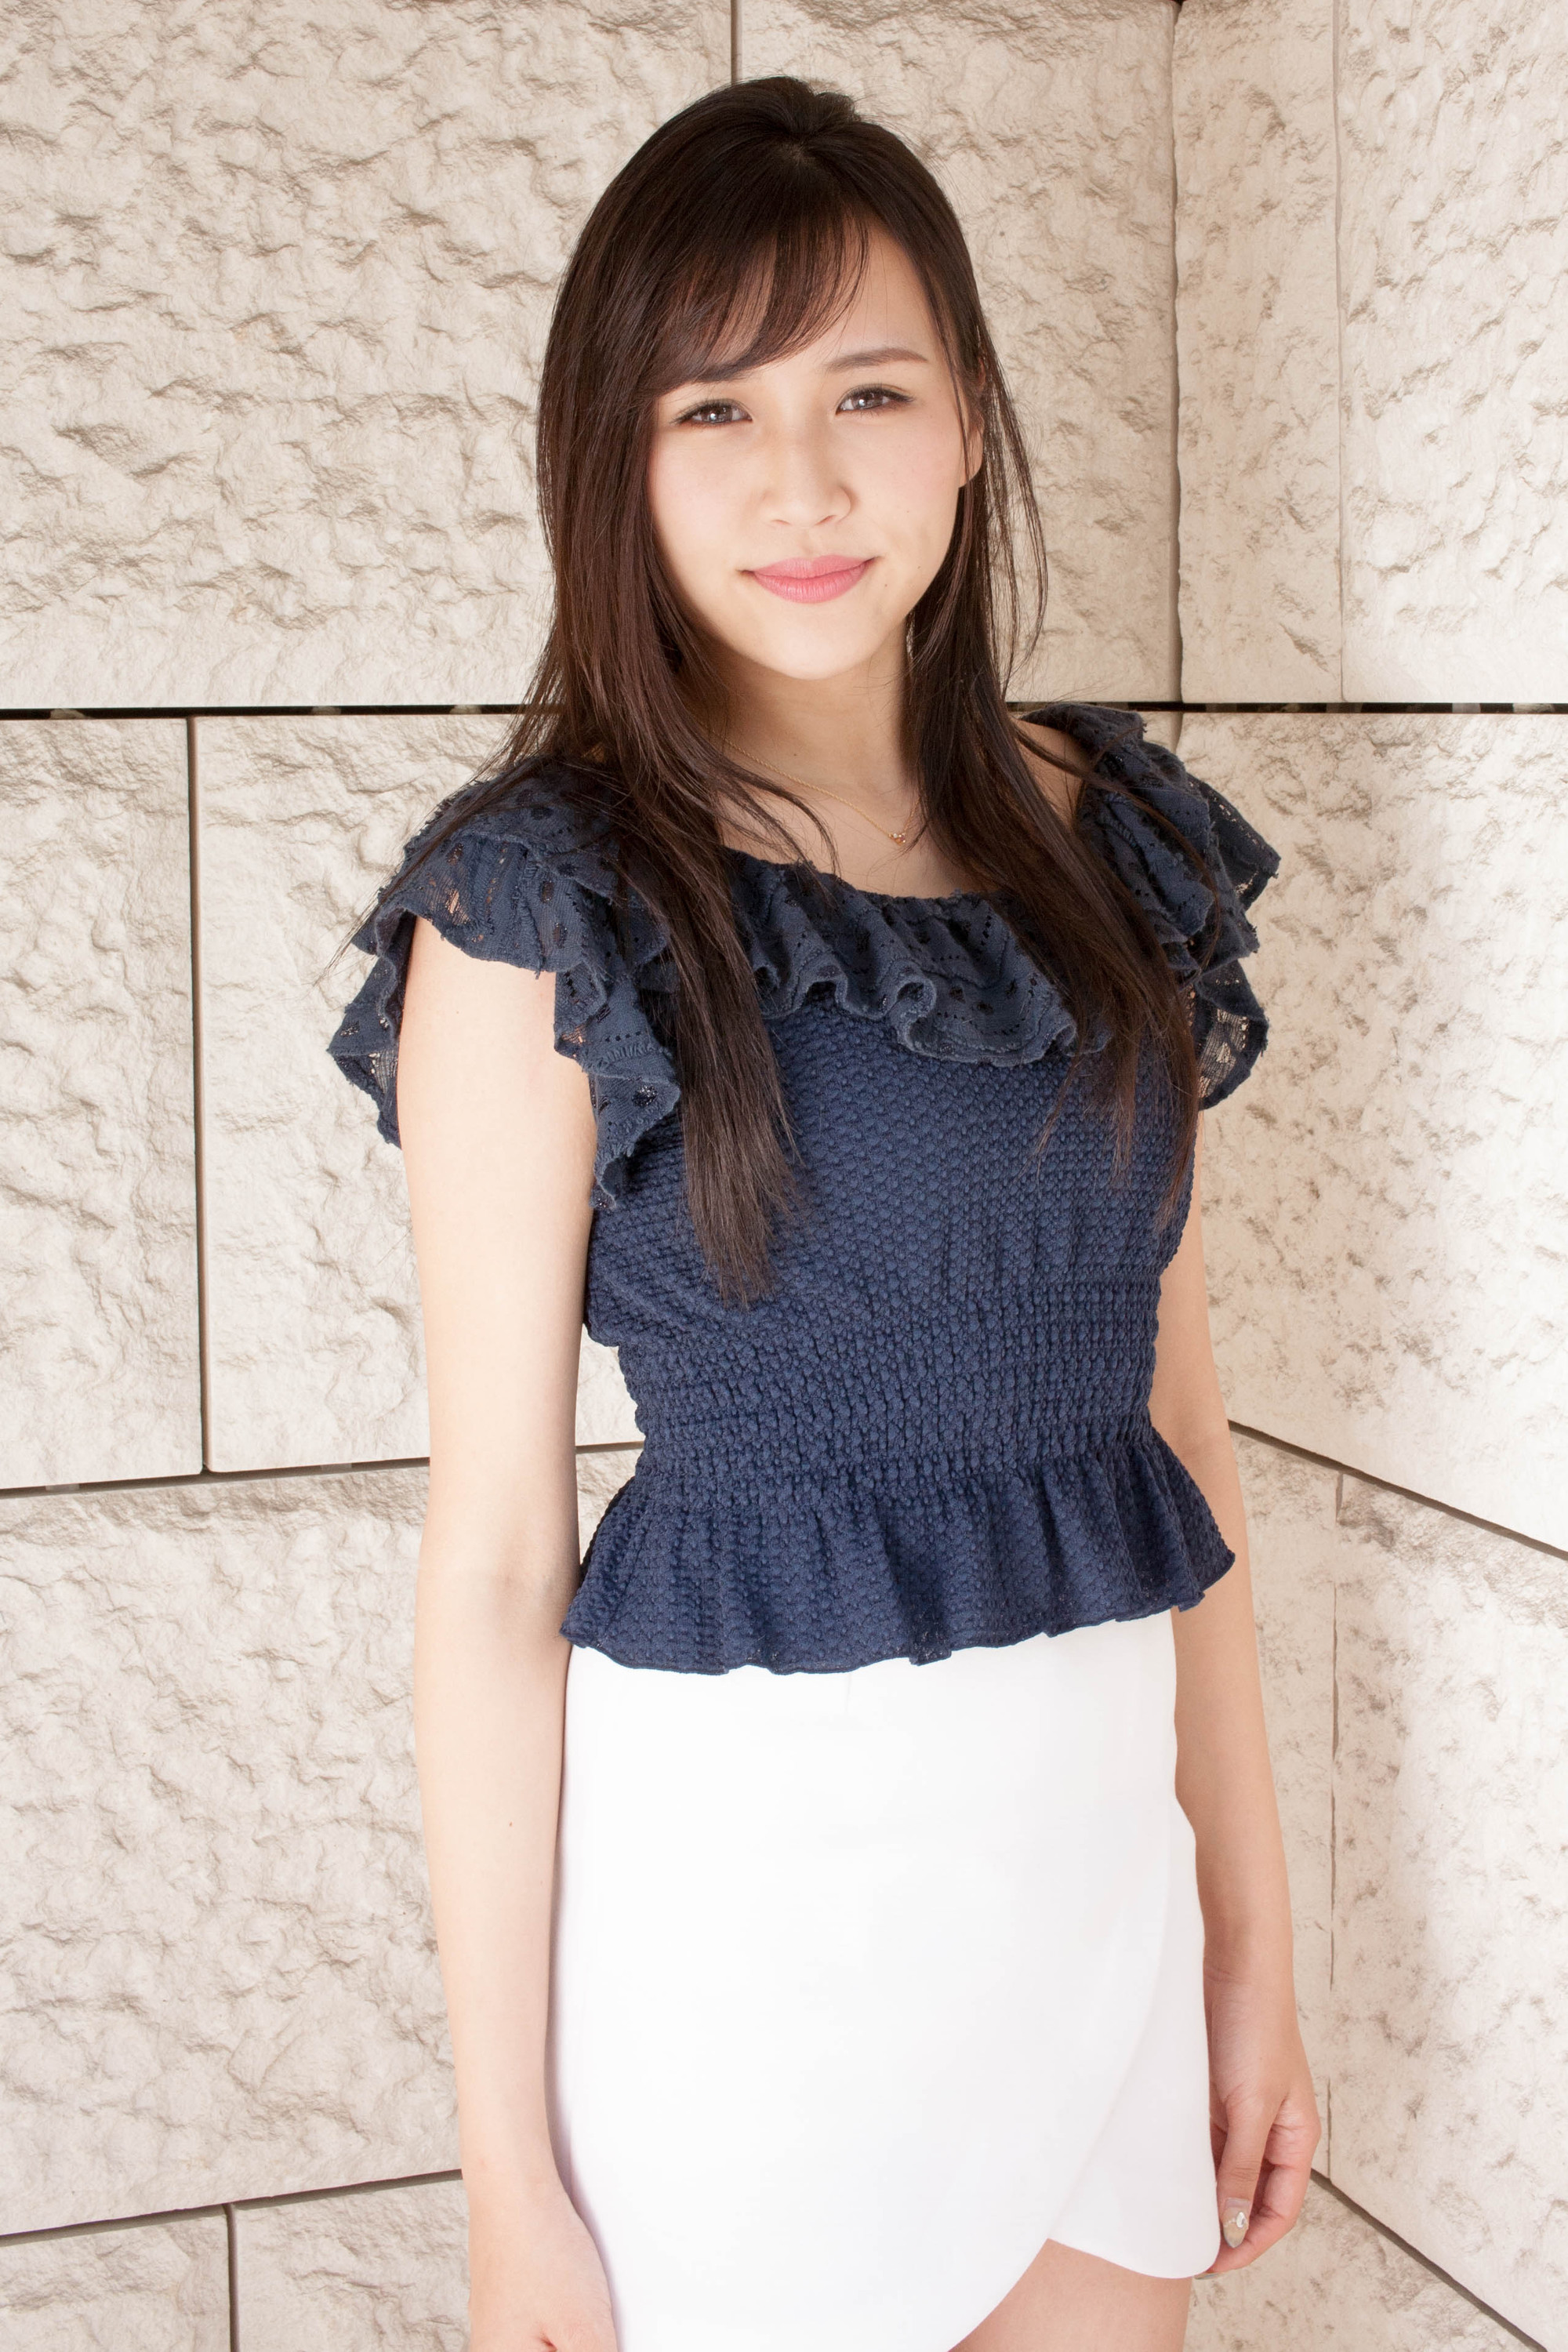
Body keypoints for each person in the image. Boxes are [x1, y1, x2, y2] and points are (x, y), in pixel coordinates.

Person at [330, 75, 1319, 2352]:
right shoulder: (543, 905)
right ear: (618, 461)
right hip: (755, 1938)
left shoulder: (1112, 840)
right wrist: (508, 2182)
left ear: (966, 420)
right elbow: (493, 1568)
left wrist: (1253, 1949)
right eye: (716, 410)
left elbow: (1177, 1429)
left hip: (1100, 1892)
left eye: (867, 391)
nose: (803, 482)